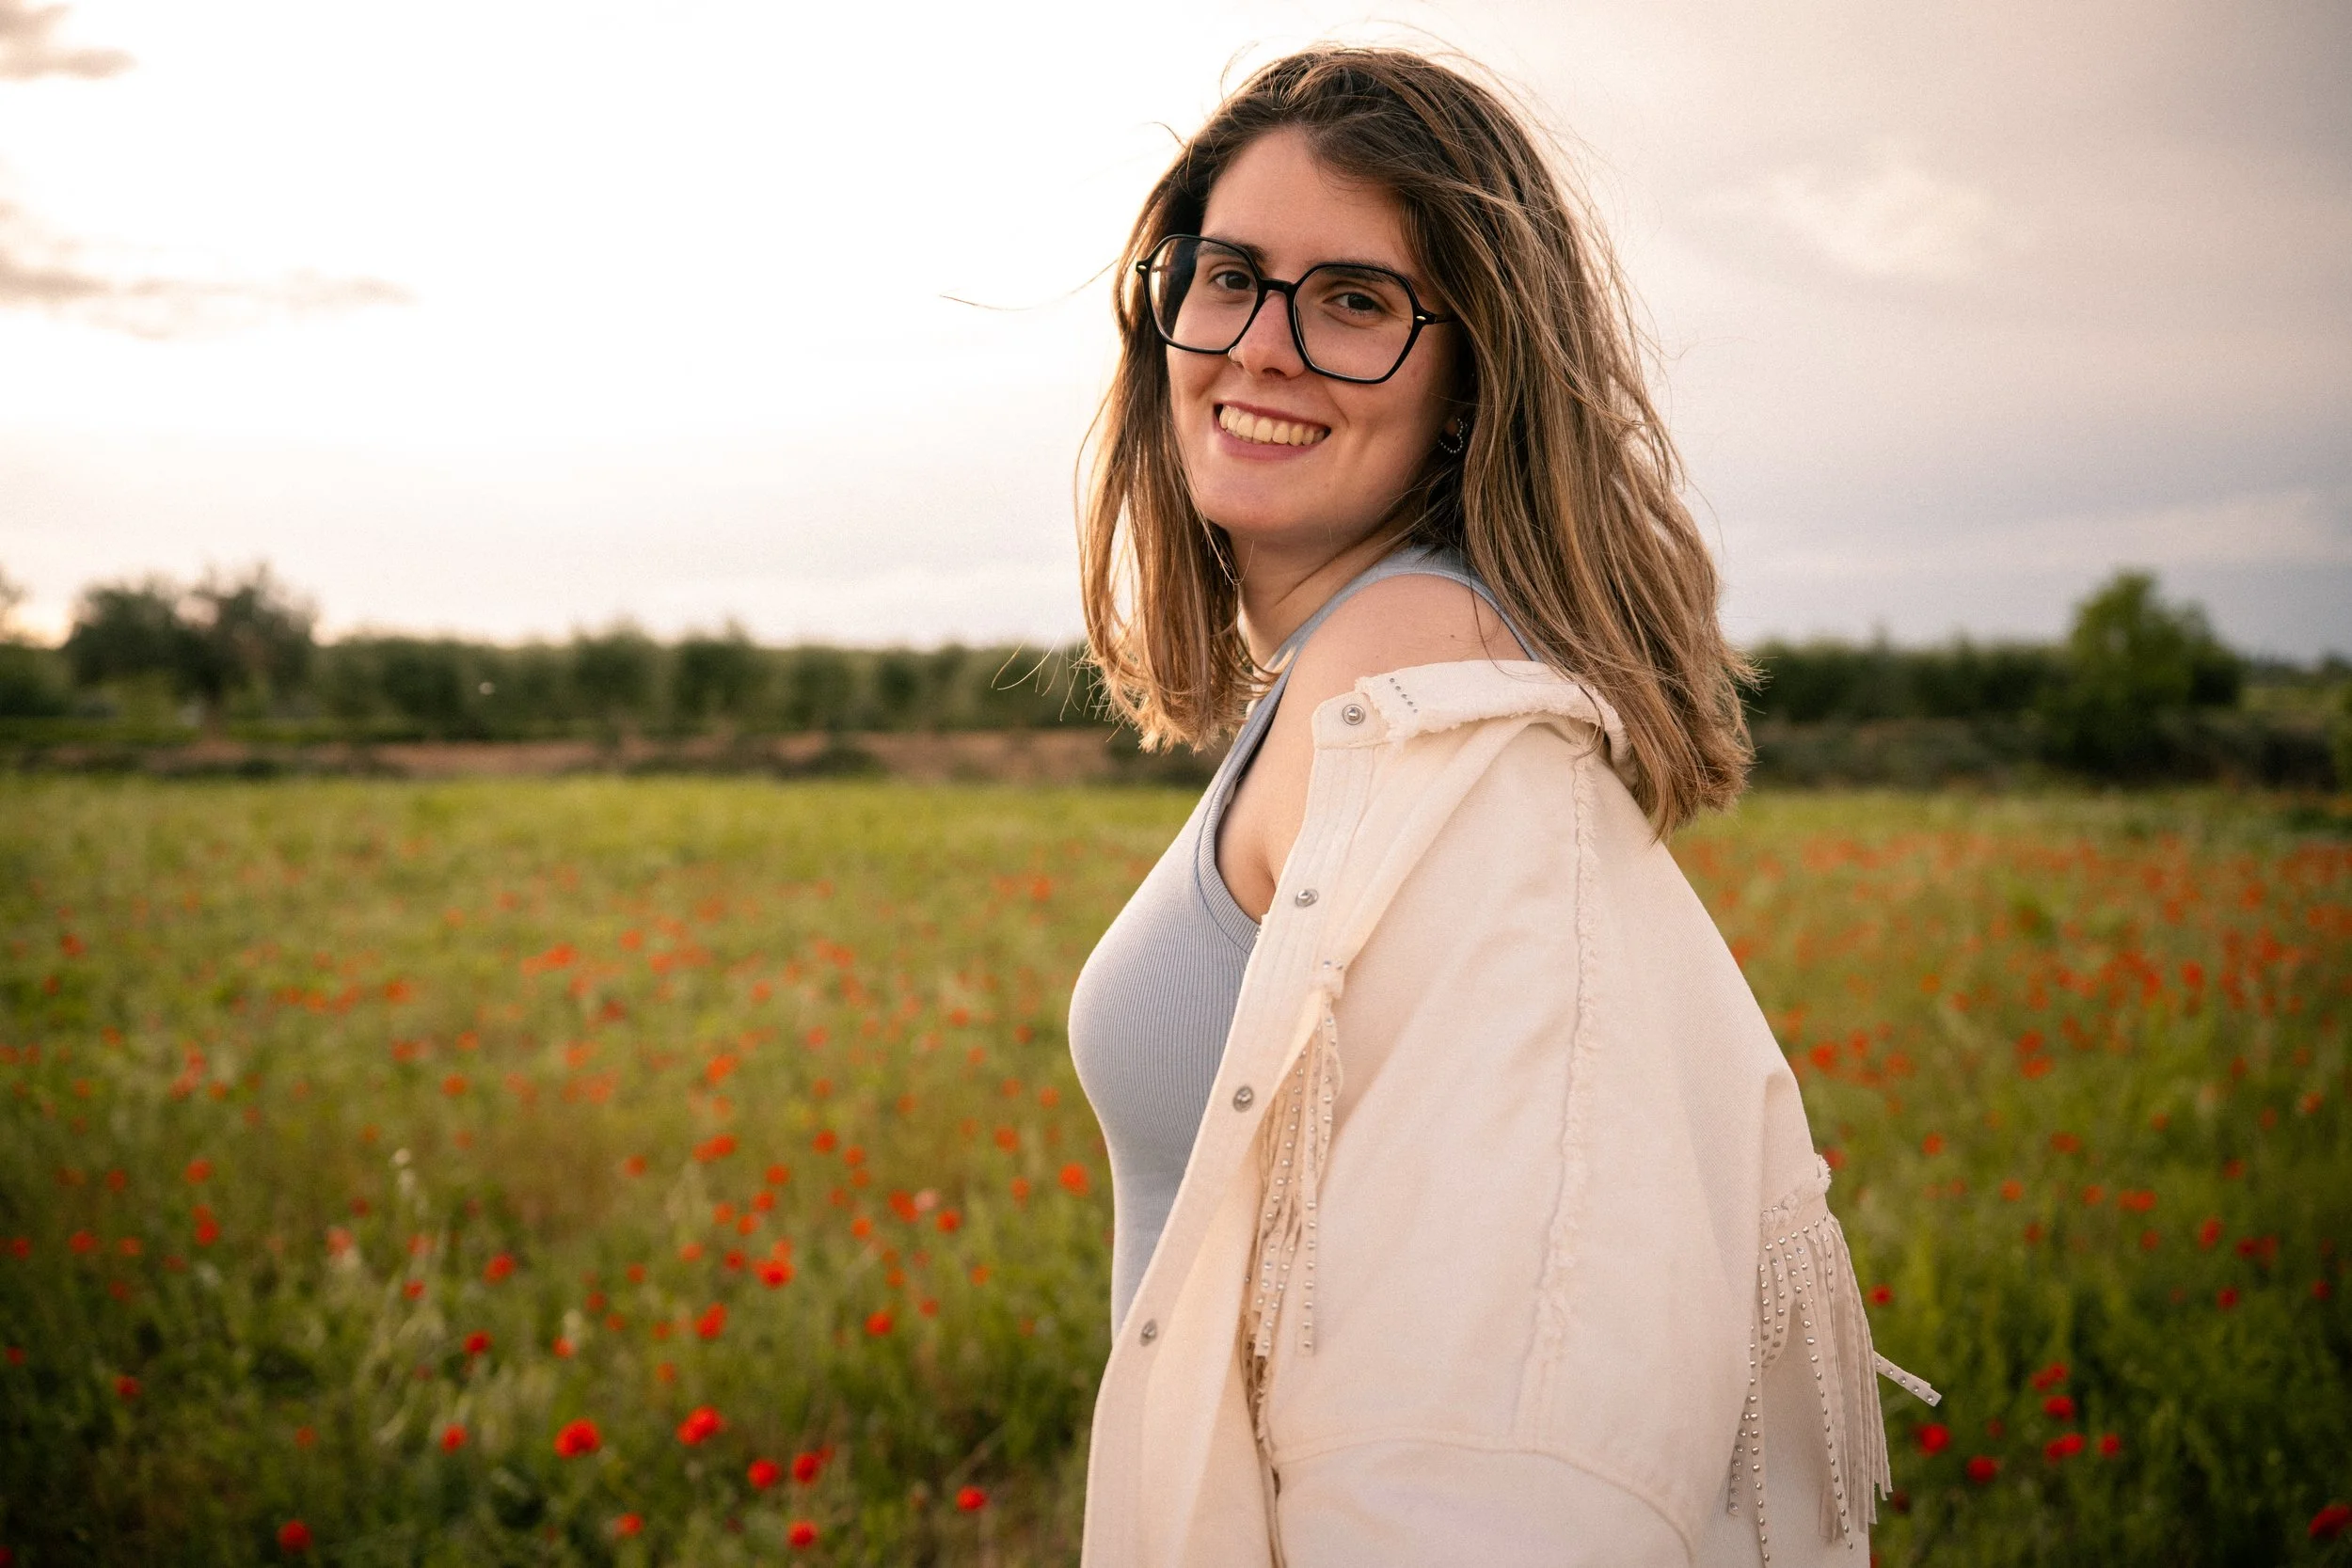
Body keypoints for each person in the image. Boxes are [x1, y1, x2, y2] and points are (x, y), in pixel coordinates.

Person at [1065, 45, 1932, 1568]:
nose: (1263, 346)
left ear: (1472, 376)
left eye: (1354, 301)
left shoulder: (1418, 692)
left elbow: (1497, 1410)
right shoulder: (1363, 665)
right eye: (1229, 276)